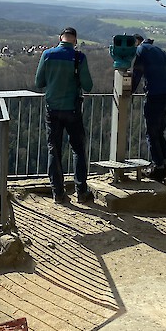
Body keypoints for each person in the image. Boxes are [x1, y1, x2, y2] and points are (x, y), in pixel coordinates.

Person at [35, 27, 95, 204]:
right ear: (75, 40)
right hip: (73, 110)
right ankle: (81, 191)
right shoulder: (79, 57)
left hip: (52, 109)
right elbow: (88, 85)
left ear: (60, 38)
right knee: (78, 149)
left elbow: (39, 82)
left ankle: (58, 193)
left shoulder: (47, 55)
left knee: (54, 150)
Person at [131, 38, 166, 182]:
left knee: (151, 134)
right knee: (159, 133)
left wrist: (130, 91)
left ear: (138, 43)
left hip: (155, 97)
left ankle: (158, 168)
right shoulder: (160, 51)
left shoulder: (141, 50)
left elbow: (137, 74)